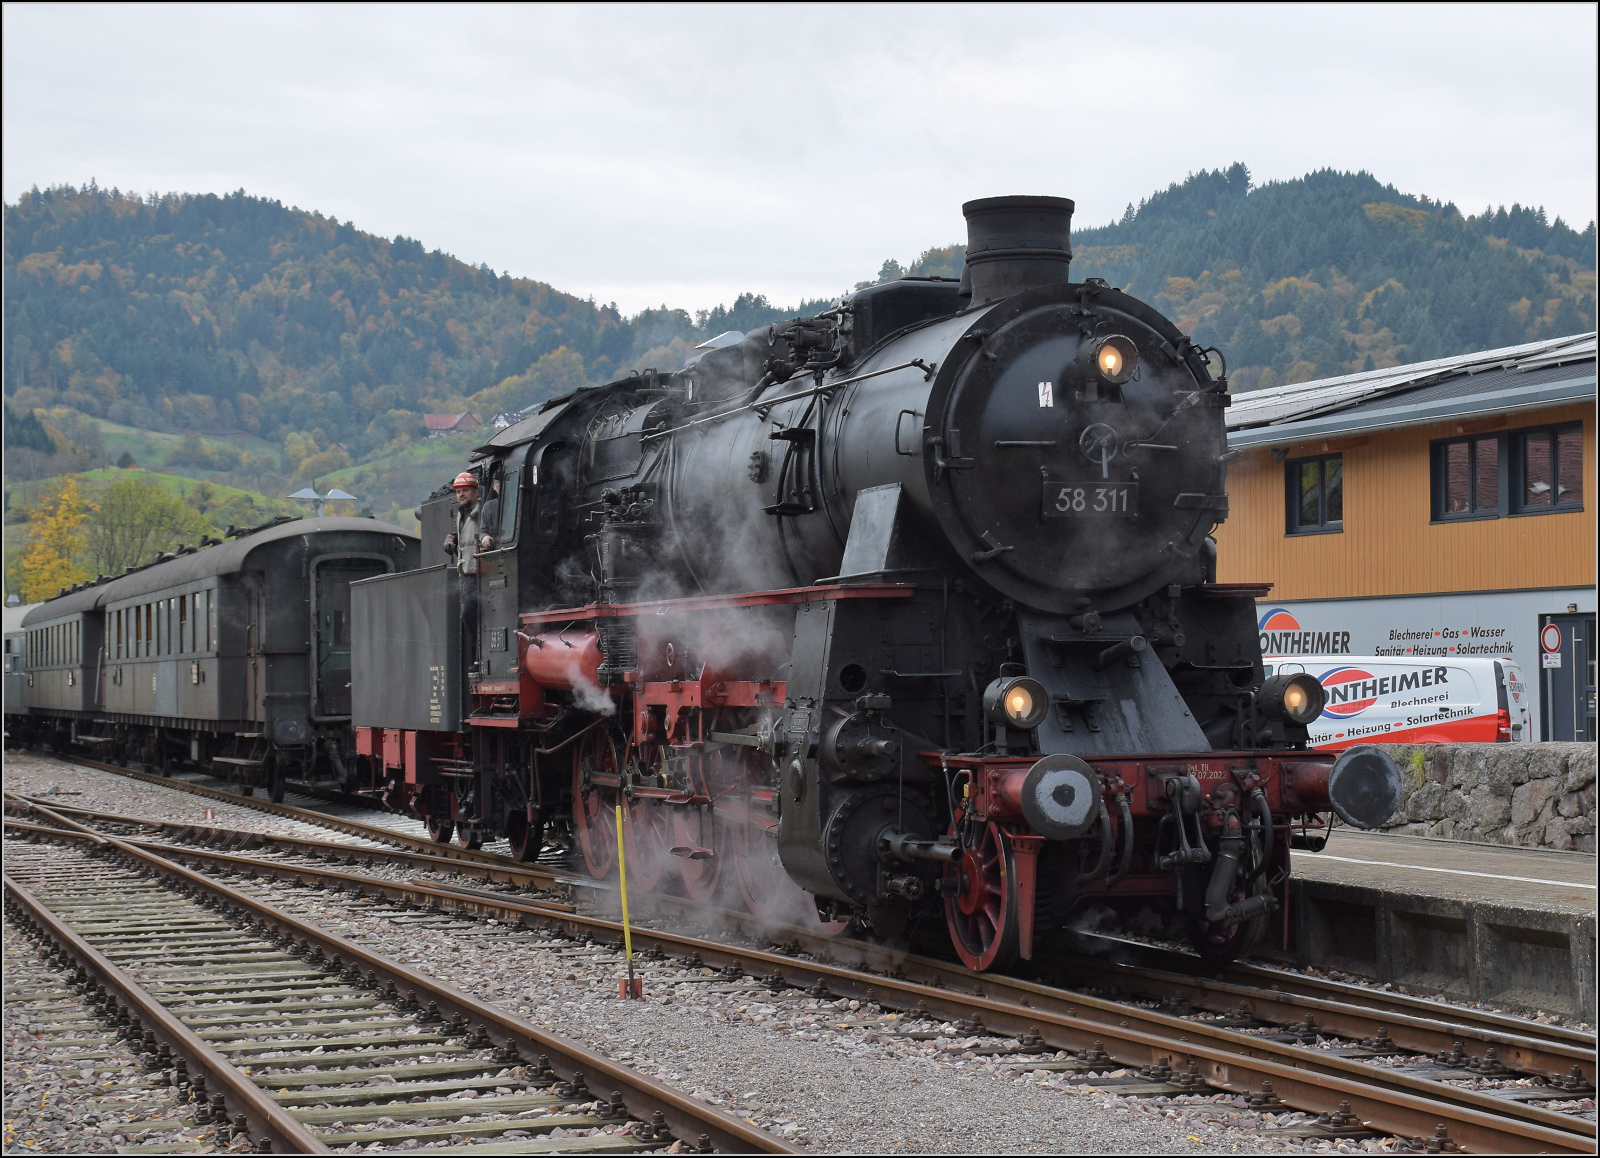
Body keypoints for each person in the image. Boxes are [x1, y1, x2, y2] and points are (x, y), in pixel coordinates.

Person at [442, 471, 490, 675]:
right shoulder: (460, 514)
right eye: (458, 491)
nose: (461, 495)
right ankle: (479, 655)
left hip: (481, 572)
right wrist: (451, 544)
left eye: (465, 491)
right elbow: (465, 543)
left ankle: (480, 655)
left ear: (476, 491)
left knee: (469, 612)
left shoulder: (483, 511)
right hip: (467, 573)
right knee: (469, 615)